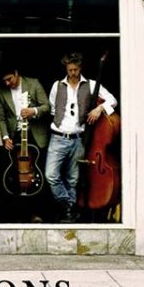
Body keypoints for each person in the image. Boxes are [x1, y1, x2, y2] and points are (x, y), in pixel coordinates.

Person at [45, 52, 117, 223]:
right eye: (70, 70)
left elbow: (112, 100)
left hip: (78, 139)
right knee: (51, 175)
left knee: (73, 179)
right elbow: (53, 108)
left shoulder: (91, 84)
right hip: (58, 137)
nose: (73, 73)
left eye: (75, 69)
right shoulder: (57, 85)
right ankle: (68, 206)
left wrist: (99, 109)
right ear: (66, 68)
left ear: (80, 67)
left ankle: (69, 214)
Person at [0, 65, 51, 221]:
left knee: (38, 175)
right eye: (4, 81)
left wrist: (33, 111)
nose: (7, 83)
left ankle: (37, 213)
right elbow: (1, 117)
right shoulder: (1, 92)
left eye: (9, 79)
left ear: (16, 73)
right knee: (13, 176)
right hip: (15, 136)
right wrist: (5, 137)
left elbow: (47, 106)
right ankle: (17, 215)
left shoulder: (33, 83)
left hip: (35, 136)